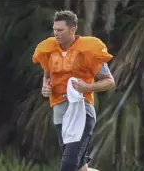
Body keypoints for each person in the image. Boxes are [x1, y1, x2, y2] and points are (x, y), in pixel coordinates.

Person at [32, 10, 115, 171]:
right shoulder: (48, 49)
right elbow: (47, 75)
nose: (56, 34)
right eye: (55, 29)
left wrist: (88, 87)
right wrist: (45, 87)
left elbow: (109, 82)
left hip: (81, 112)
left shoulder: (88, 49)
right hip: (60, 112)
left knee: (69, 164)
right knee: (79, 167)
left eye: (60, 30)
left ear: (72, 29)